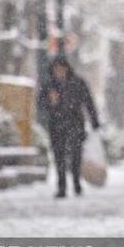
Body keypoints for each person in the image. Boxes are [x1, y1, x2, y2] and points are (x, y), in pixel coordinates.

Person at [37, 55, 100, 198]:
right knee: (59, 157)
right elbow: (40, 105)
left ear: (67, 68)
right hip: (56, 125)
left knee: (75, 156)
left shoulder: (77, 82)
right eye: (56, 69)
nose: (59, 72)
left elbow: (88, 102)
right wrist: (50, 102)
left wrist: (94, 121)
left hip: (75, 124)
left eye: (61, 68)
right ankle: (62, 187)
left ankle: (77, 182)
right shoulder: (48, 85)